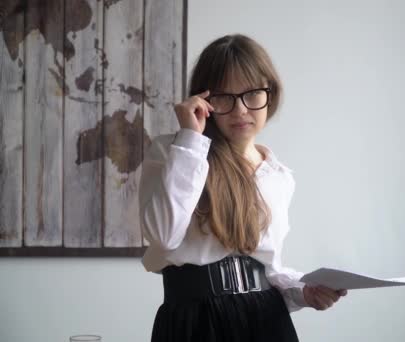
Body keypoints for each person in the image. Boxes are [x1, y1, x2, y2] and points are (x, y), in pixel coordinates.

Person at [139, 34, 347, 342]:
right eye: (224, 97)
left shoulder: (278, 176)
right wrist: (191, 140)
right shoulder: (174, 151)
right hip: (194, 322)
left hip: (266, 321)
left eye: (252, 94)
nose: (240, 110)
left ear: (270, 95)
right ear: (204, 101)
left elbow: (269, 270)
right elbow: (163, 234)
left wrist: (305, 294)